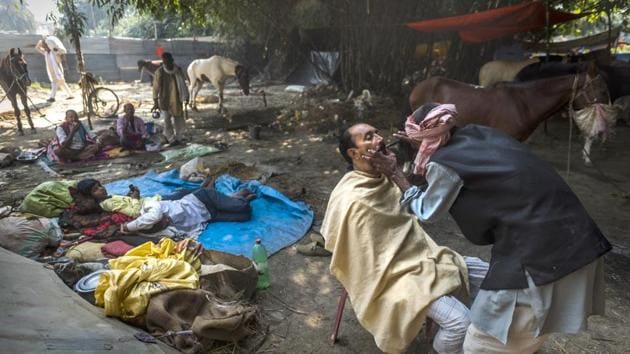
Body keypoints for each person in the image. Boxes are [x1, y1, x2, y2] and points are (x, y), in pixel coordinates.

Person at [364, 103, 611, 353]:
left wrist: (396, 173)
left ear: (420, 137)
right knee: (524, 339)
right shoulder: (481, 134)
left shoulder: (445, 162)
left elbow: (427, 211)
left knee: (479, 344)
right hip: (579, 240)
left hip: (540, 259)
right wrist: (421, 145)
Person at [322, 122, 489, 354]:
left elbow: (420, 202)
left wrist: (405, 165)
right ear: (353, 153)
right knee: (460, 322)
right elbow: (365, 258)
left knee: (490, 273)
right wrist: (395, 173)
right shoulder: (352, 198)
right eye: (369, 137)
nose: (380, 139)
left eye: (378, 133)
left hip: (422, 257)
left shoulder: (385, 179)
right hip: (390, 276)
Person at [152, 52, 189, 146]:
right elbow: (155, 88)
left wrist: (186, 96)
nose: (166, 63)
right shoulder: (159, 72)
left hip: (177, 98)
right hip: (165, 99)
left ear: (172, 60)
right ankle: (171, 138)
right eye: (164, 62)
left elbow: (184, 85)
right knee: (167, 120)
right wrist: (155, 102)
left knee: (179, 118)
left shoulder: (178, 70)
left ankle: (180, 137)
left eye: (168, 61)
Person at [35, 38, 73, 102]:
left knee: (57, 82)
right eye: (43, 46)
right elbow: (37, 48)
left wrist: (56, 49)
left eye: (45, 46)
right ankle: (70, 95)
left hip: (57, 70)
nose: (44, 47)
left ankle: (53, 97)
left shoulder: (54, 52)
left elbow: (63, 51)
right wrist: (40, 42)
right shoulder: (46, 53)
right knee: (59, 82)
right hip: (51, 71)